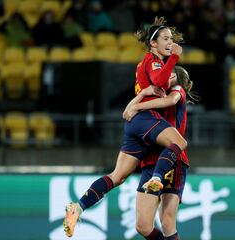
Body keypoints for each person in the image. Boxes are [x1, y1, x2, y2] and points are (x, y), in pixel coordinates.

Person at [63, 16, 186, 238]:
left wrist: (135, 102)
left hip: (135, 126)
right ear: (153, 44)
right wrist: (174, 57)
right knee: (180, 142)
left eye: (172, 39)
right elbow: (159, 81)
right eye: (165, 39)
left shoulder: (148, 67)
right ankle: (157, 177)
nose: (170, 43)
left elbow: (152, 88)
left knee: (117, 176)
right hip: (147, 120)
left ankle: (78, 207)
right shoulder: (154, 61)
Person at [124, 66, 195, 240]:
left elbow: (171, 100)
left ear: (173, 76)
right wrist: (141, 96)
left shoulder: (177, 90)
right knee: (142, 225)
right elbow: (126, 113)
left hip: (172, 158)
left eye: (168, 73)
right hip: (151, 159)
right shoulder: (154, 95)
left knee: (167, 221)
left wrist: (139, 106)